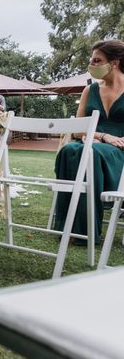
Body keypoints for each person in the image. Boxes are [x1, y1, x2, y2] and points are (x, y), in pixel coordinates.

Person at [54, 39, 124, 243]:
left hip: (119, 151)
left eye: (97, 60)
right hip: (91, 142)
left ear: (114, 62)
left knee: (90, 154)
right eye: (91, 60)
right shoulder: (89, 90)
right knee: (69, 150)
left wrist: (111, 140)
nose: (91, 65)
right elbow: (77, 129)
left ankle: (85, 231)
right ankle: (66, 227)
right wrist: (102, 136)